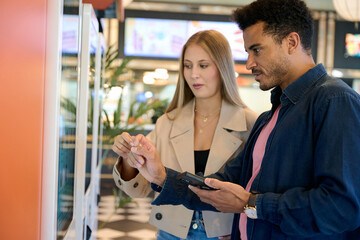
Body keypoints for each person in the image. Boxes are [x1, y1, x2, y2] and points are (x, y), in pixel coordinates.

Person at [124, 0, 360, 239]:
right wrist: (160, 176)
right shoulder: (270, 118)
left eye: (257, 50)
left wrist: (251, 204)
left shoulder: (334, 101)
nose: (249, 64)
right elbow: (222, 184)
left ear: (291, 42)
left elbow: (341, 208)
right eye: (247, 52)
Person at [112, 30, 258, 240]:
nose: (193, 74)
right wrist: (128, 157)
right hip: (171, 232)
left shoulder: (250, 124)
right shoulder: (167, 123)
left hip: (224, 232)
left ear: (222, 67)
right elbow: (139, 190)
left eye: (203, 65)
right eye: (188, 66)